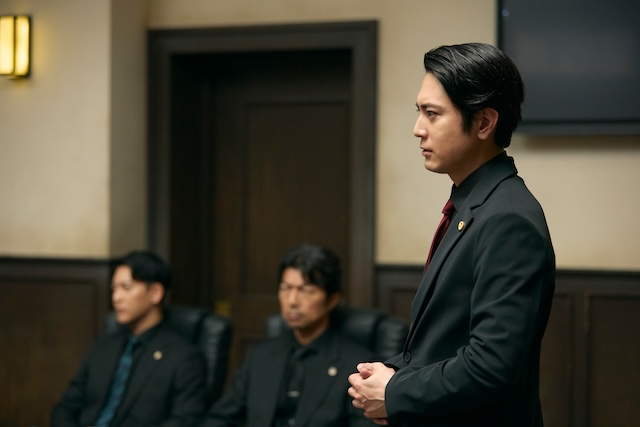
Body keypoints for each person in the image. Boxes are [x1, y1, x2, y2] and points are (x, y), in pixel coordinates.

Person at [348, 42, 556, 426]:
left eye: (432, 114)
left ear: (484, 123)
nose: (417, 129)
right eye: (419, 112)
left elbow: (491, 366)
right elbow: (446, 342)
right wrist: (391, 375)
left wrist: (396, 393)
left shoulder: (507, 218)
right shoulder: (475, 202)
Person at [201, 243, 375, 427]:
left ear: (332, 300)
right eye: (285, 288)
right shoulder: (260, 356)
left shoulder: (357, 366)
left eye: (305, 290)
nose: (292, 301)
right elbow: (221, 418)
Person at [51, 250, 207, 427]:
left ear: (155, 293)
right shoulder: (104, 346)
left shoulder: (183, 357)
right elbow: (65, 407)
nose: (116, 297)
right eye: (114, 288)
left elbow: (185, 421)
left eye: (126, 287)